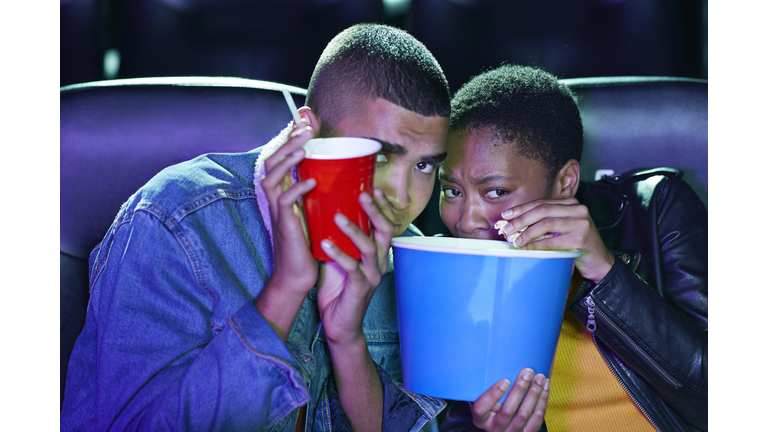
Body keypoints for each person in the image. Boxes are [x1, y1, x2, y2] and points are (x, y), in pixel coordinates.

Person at [61, 23, 458, 432]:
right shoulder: (172, 224)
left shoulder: (408, 258)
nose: (403, 196)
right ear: (310, 133)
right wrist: (284, 291)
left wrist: (347, 341)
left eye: (424, 165)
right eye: (377, 157)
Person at [435, 65, 707, 431]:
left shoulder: (656, 211)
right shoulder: (440, 274)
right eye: (452, 191)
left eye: (496, 192)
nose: (467, 222)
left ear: (565, 182)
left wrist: (606, 273)